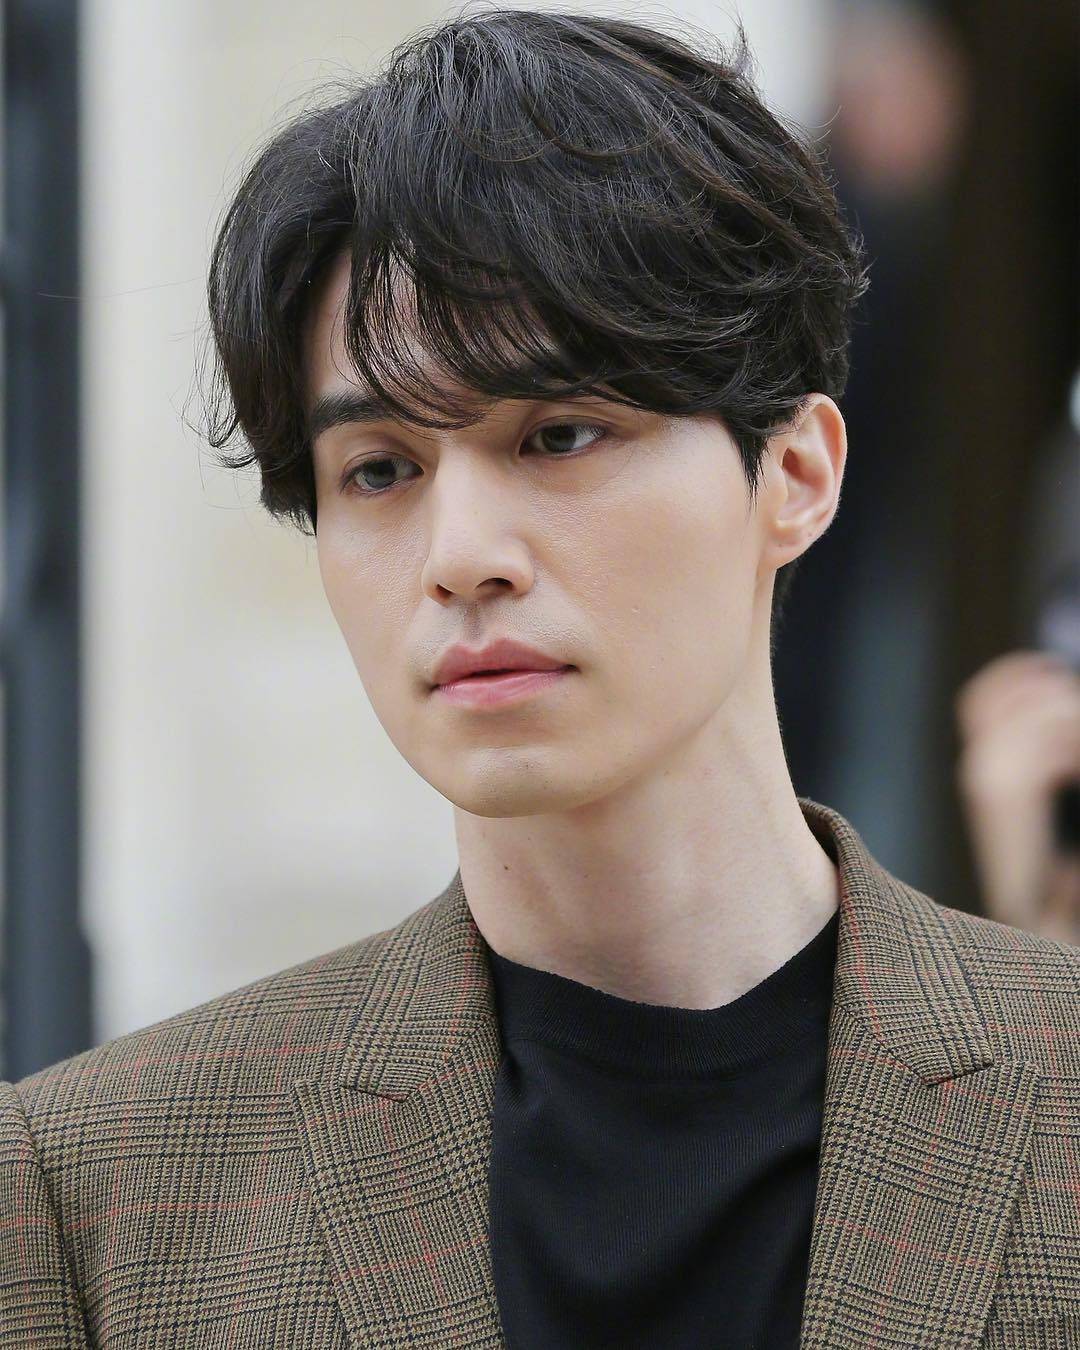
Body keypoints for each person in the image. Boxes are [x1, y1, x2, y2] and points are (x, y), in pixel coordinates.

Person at [2, 11, 1077, 1347]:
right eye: (379, 469)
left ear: (795, 474)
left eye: (560, 435)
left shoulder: (1051, 1092)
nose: (461, 555)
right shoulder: (102, 1193)